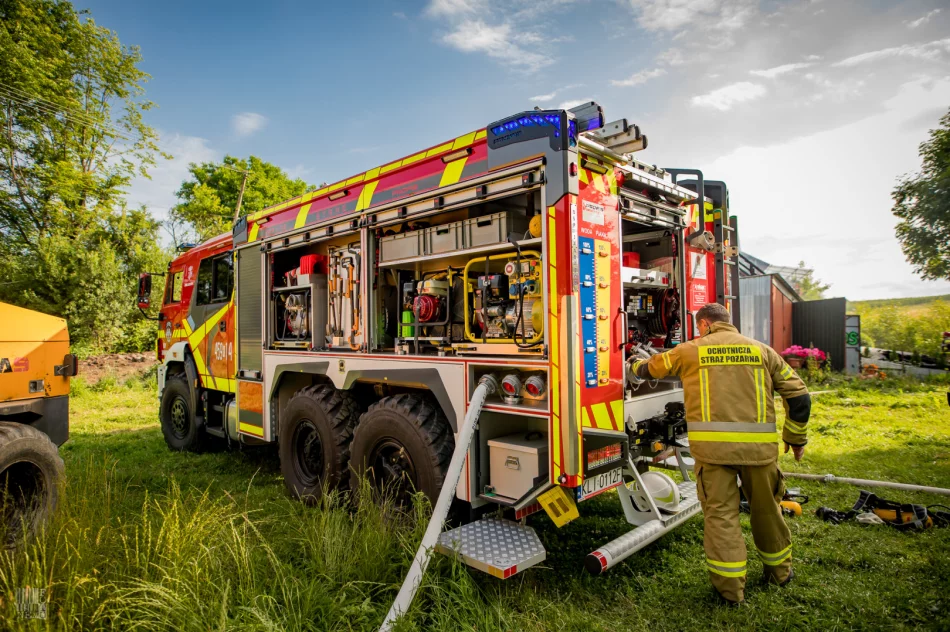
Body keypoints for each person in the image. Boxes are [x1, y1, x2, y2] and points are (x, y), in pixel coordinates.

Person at [629, 302, 811, 605]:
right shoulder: (762, 350)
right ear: (729, 322)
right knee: (768, 511)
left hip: (713, 456)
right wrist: (795, 438)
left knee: (721, 517)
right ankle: (780, 573)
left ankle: (731, 592)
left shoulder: (689, 350)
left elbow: (650, 368)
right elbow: (799, 395)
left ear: (703, 325)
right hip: (760, 454)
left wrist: (633, 363)